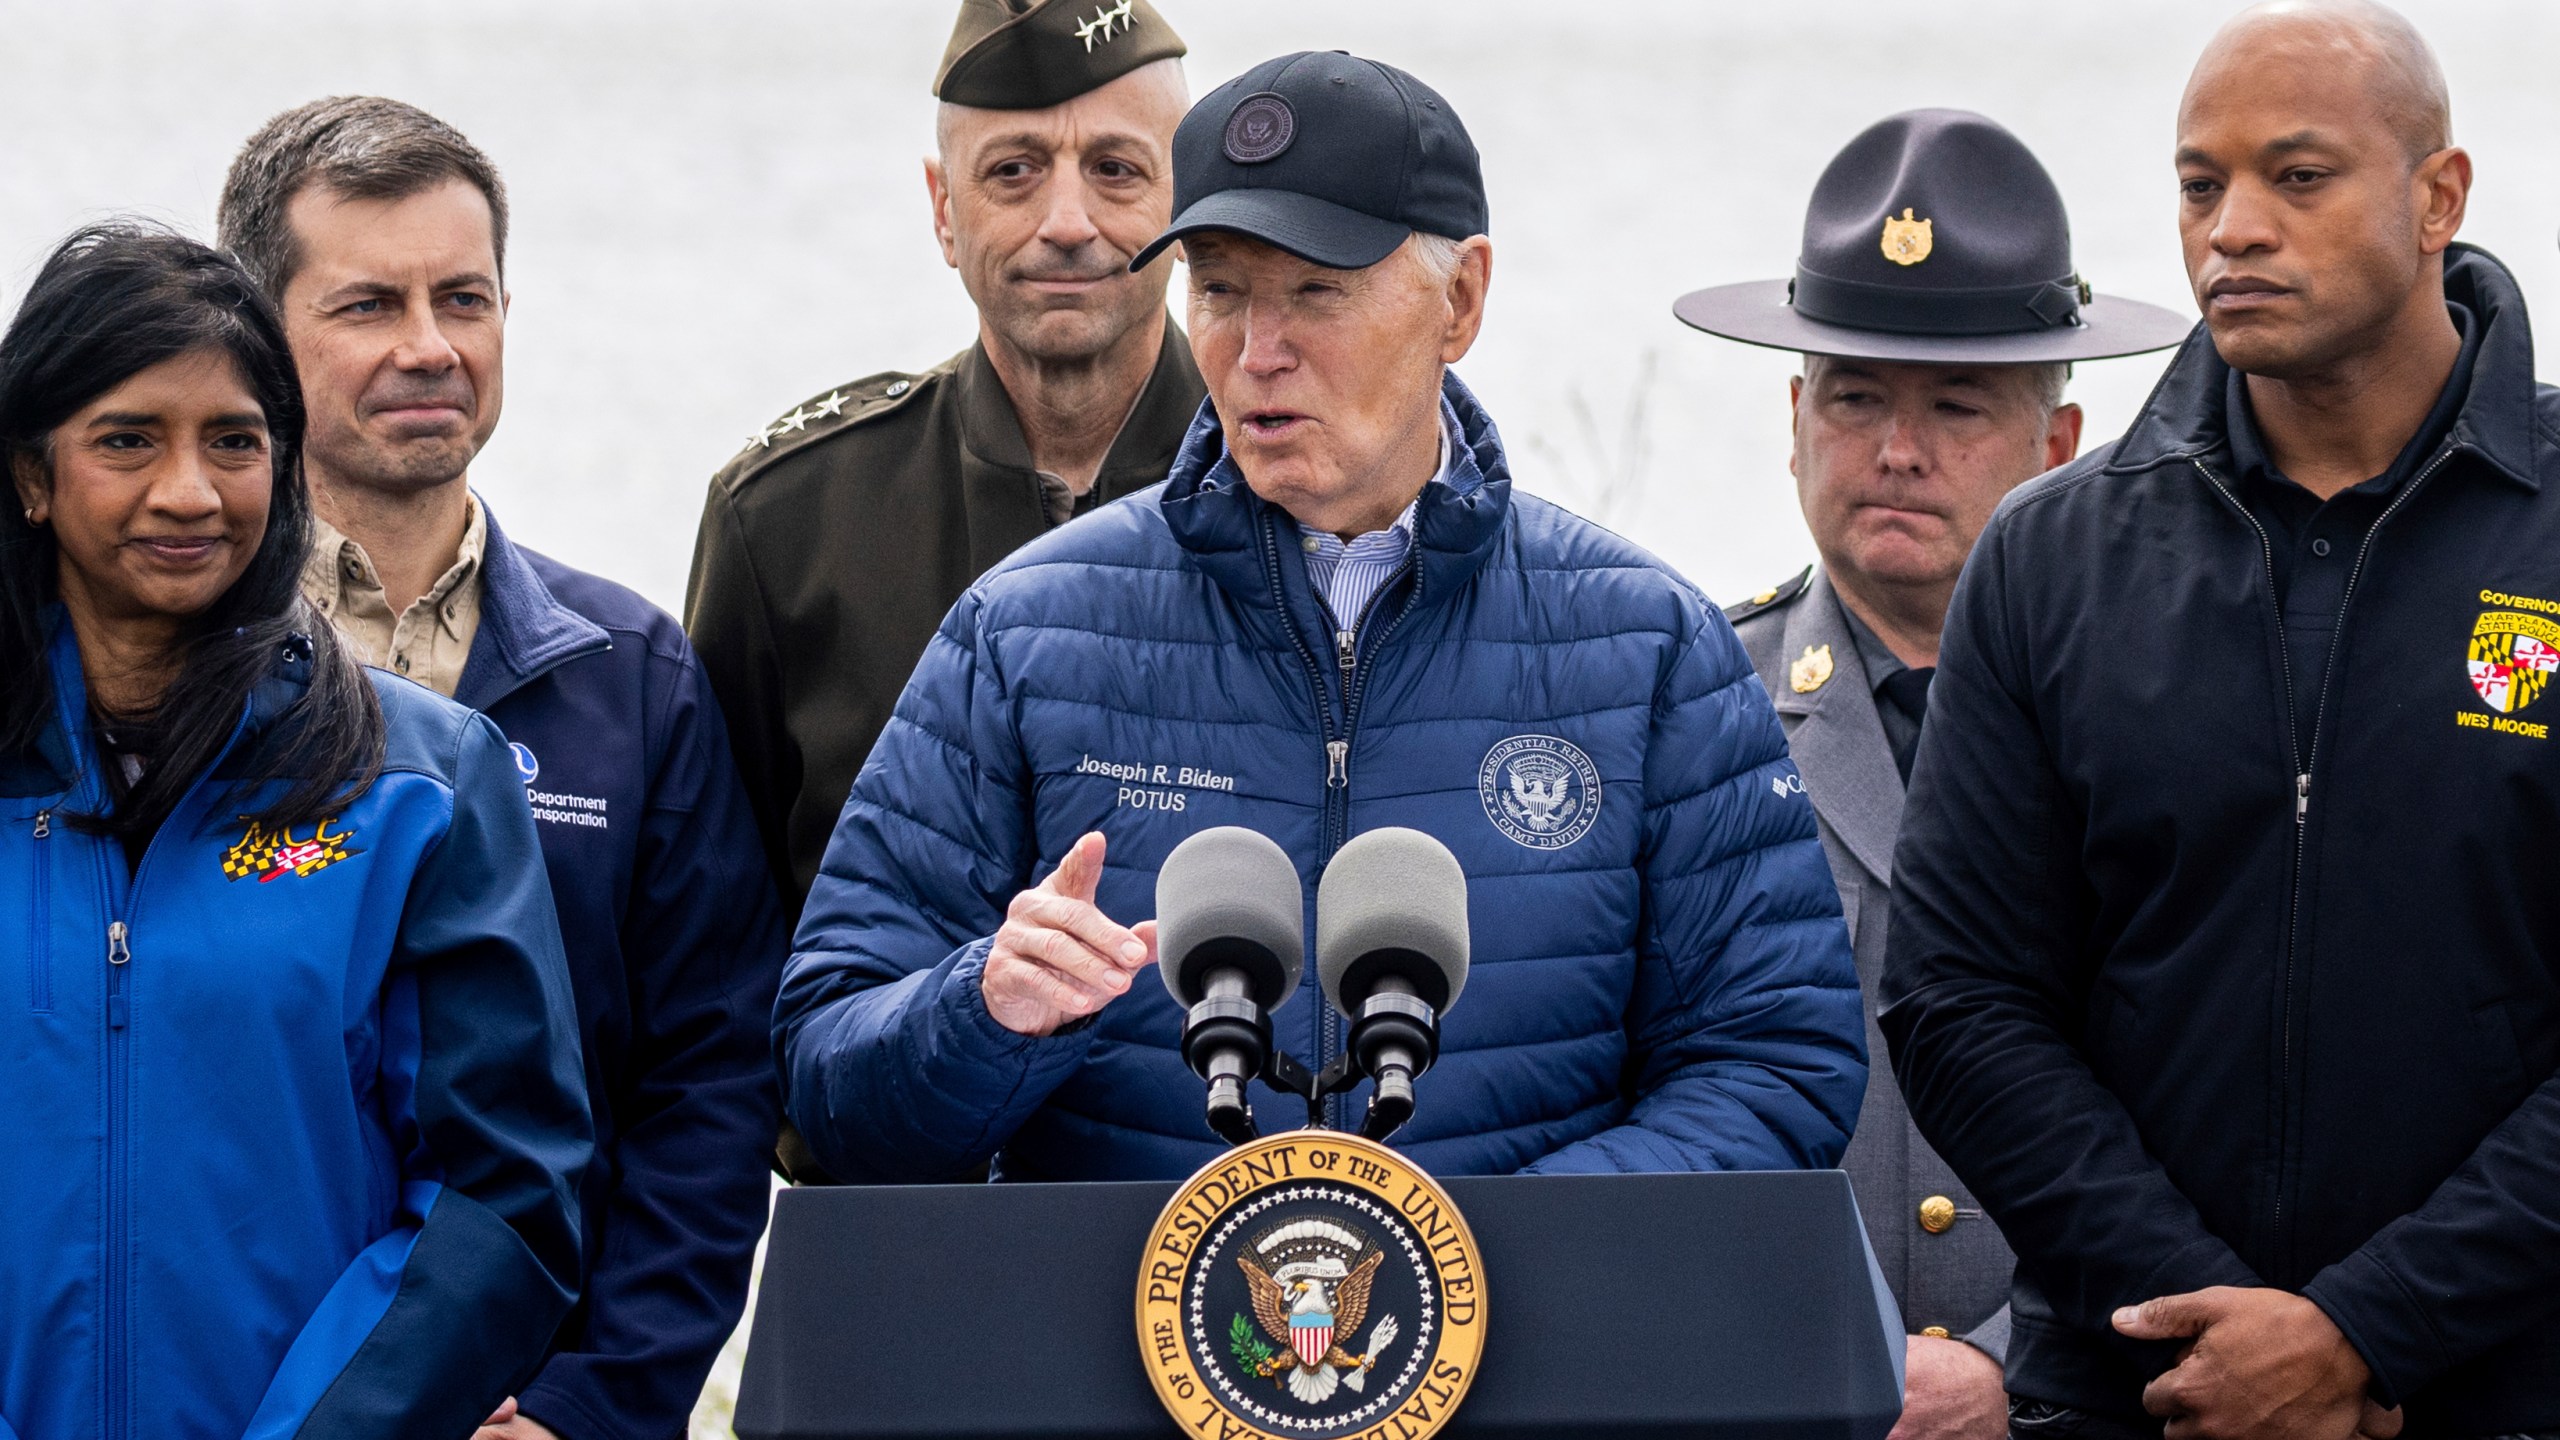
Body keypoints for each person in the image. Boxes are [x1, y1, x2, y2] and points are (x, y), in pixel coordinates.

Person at [774, 50, 1866, 1186]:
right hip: (1103, 1349)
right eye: (1220, 289)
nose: (1256, 353)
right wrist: (981, 1015)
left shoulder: (1649, 651)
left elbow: (1776, 1067)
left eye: (1314, 290)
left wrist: (1474, 1262)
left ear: (1462, 299)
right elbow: (824, 1074)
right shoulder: (1020, 636)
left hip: (1529, 1355)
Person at [1882, 3, 2560, 1435]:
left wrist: (2372, 1330)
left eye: (2297, 178)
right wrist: (2211, 1333)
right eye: (2202, 184)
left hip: (2508, 1387)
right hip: (2140, 1392)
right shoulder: (2049, 553)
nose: (2233, 229)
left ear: (2438, 196)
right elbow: (1960, 1003)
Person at [216, 98, 786, 1440]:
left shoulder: (630, 679)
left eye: (463, 298)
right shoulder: (177, 678)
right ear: (252, 333)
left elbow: (710, 1091)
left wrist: (594, 1407)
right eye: (368, 305)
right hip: (241, 1396)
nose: (429, 347)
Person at [0, 224, 590, 1439]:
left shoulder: (417, 782)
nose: (189, 491)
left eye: (234, 441)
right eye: (126, 440)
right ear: (31, 475)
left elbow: (503, 1186)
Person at [1676, 110, 2190, 1439]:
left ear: (2058, 440)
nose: (1896, 450)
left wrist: (2024, 1367)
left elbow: (2232, 1101)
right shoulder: (1684, 710)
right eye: (1854, 397)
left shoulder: (2177, 720)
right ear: (1794, 421)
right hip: (1764, 1401)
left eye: (1957, 406)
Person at [684, 0, 1205, 915]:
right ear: (944, 211)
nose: (1068, 221)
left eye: (1117, 170)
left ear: (1188, 198)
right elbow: (716, 951)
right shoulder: (787, 523)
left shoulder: (1299, 491)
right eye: (1013, 172)